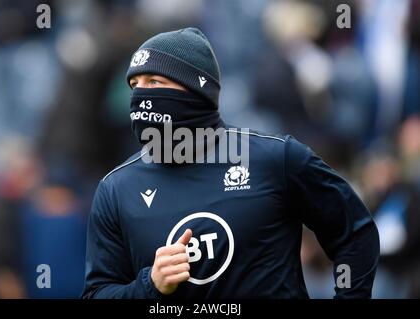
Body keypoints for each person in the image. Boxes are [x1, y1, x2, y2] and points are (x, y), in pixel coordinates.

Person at [82, 27, 379, 299]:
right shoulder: (116, 189)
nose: (141, 96)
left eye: (154, 81)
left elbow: (356, 234)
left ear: (196, 90)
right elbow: (97, 293)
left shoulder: (276, 158)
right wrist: (151, 285)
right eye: (135, 85)